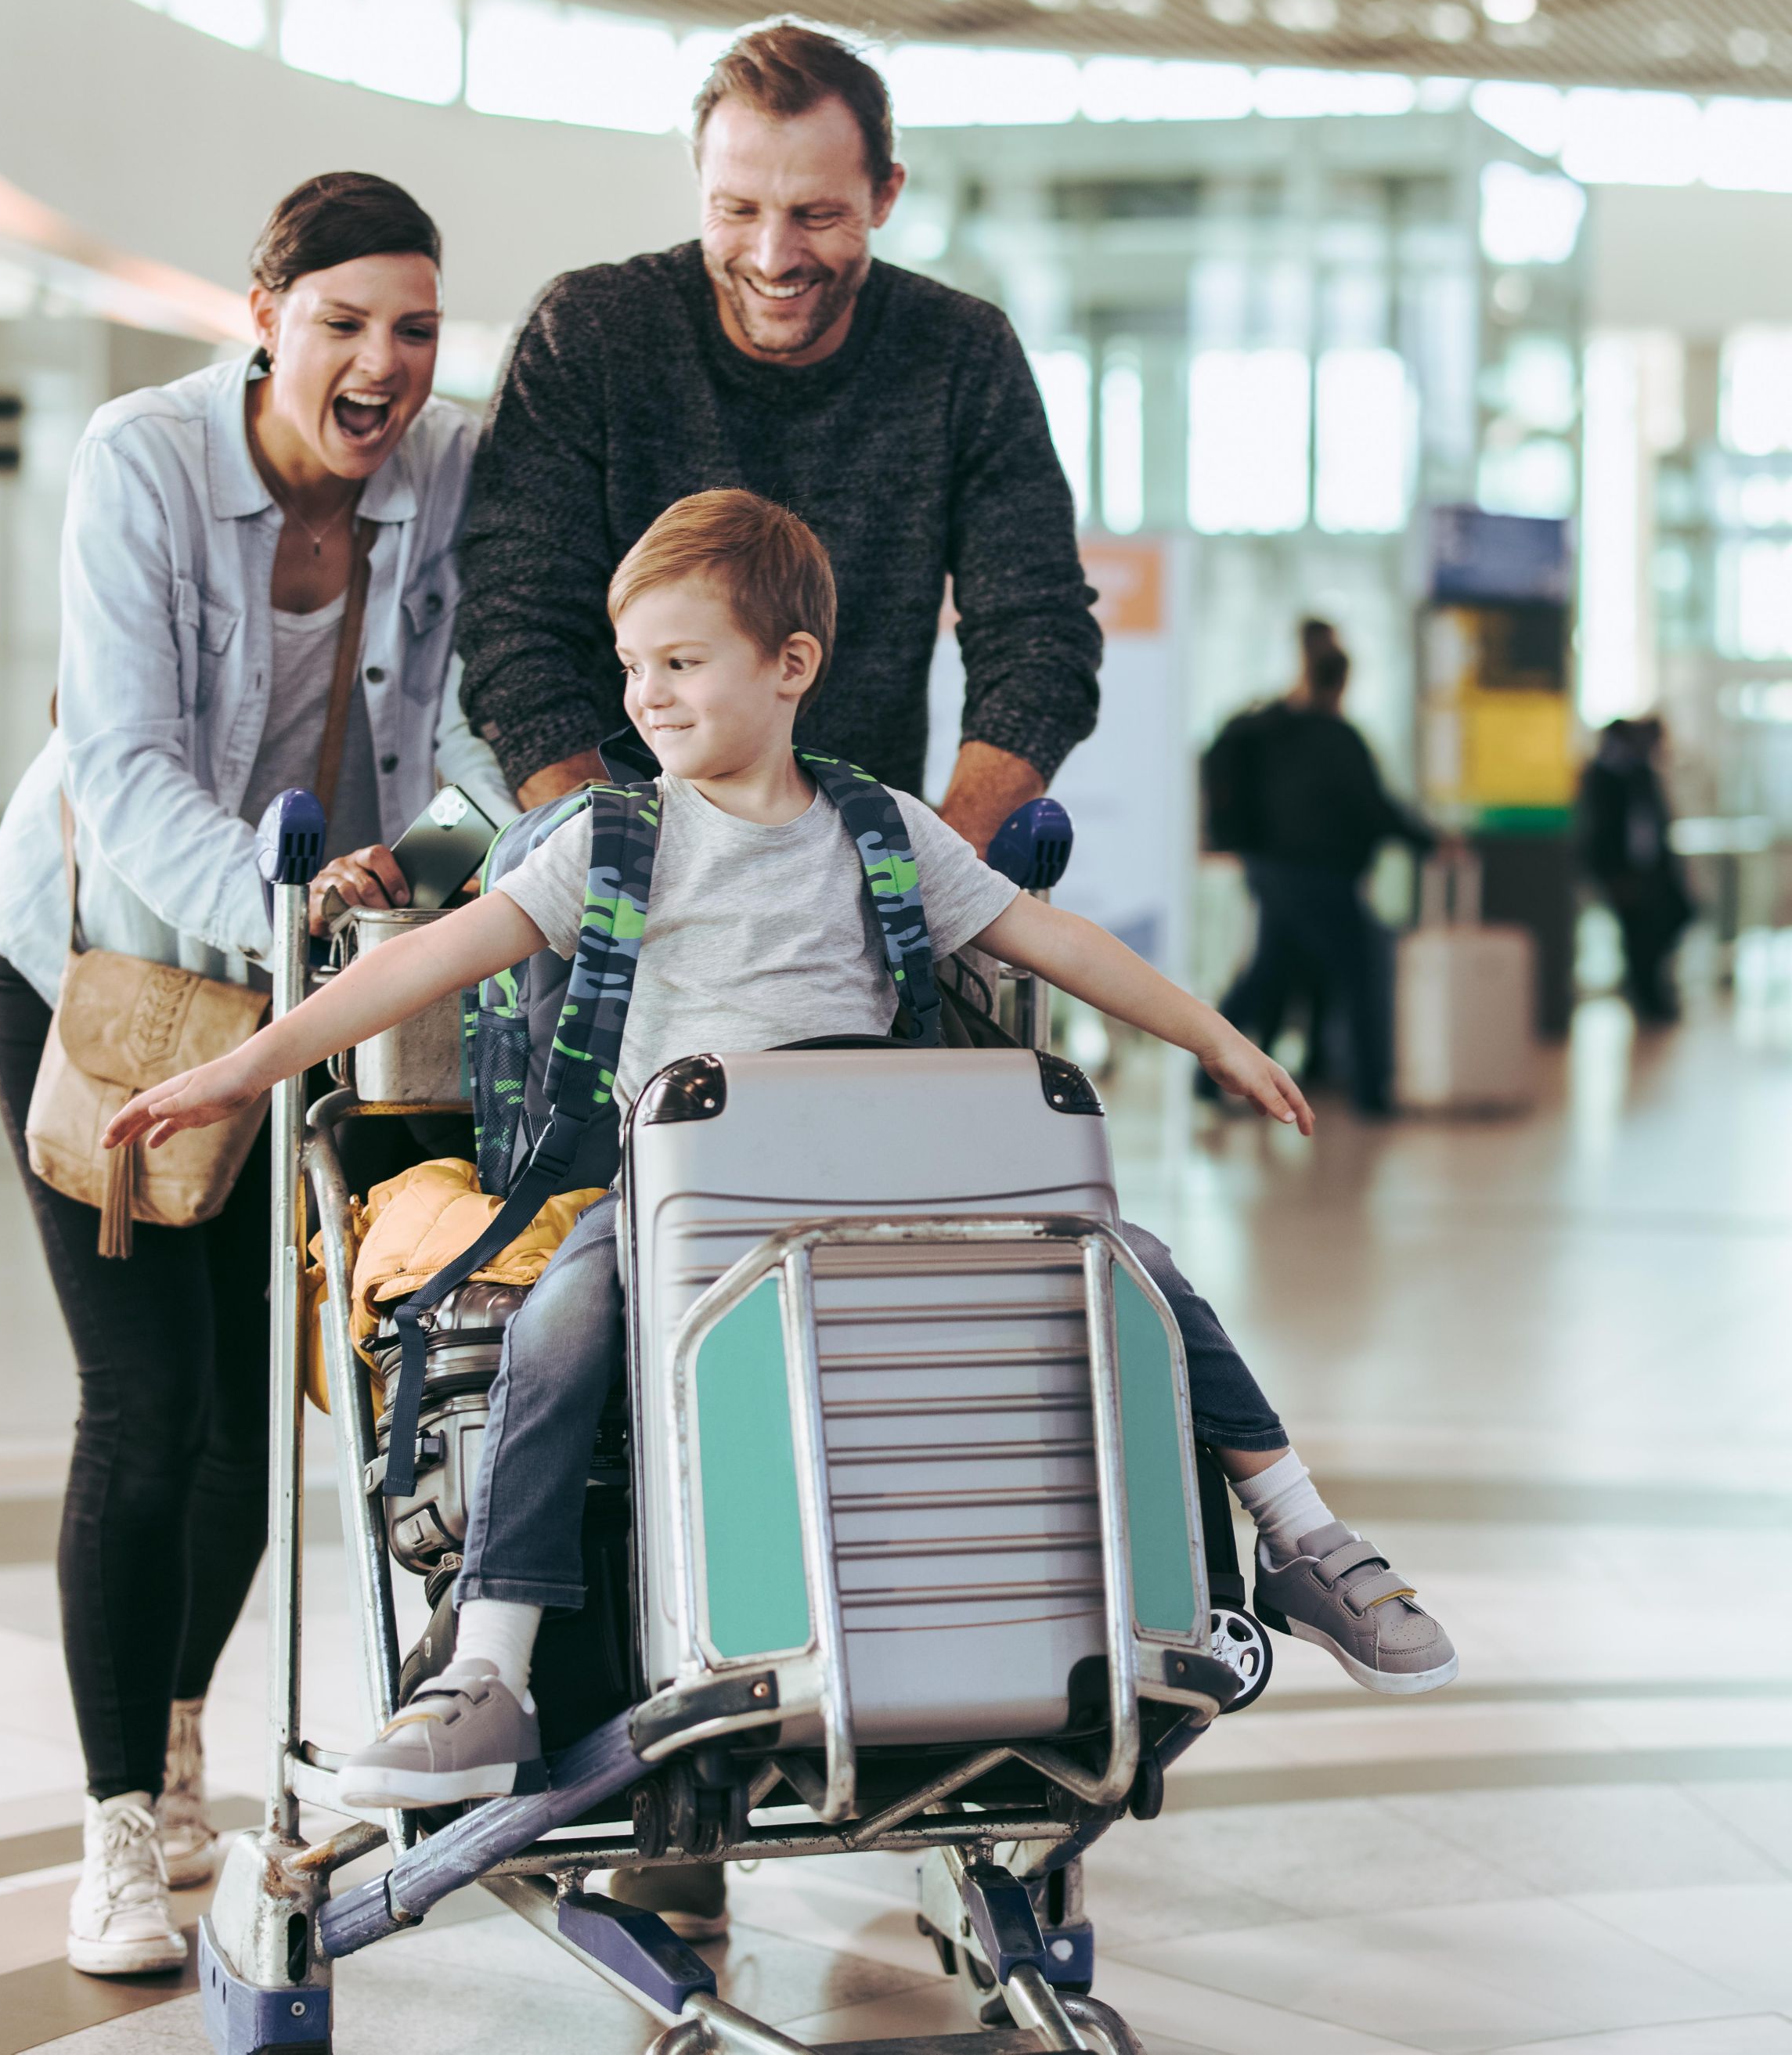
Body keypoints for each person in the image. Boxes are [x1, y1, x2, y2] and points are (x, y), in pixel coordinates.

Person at [101, 493, 1459, 1820]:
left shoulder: (881, 832)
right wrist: (232, 1070)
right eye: (634, 667)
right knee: (560, 1324)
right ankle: (489, 1670)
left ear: (791, 666)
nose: (648, 696)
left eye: (683, 663)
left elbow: (1061, 946)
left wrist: (1215, 1036)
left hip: (882, 1191)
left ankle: (1303, 1538)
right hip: (679, 1196)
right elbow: (417, 970)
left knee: (1140, 1270)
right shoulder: (610, 842)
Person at [0, 175, 511, 1977]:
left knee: (245, 1426)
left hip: (293, 989)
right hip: (101, 974)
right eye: (346, 320)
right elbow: (116, 762)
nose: (383, 362)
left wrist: (468, 869)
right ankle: (120, 1823)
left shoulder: (449, 469)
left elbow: (465, 718)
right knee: (142, 1398)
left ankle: (182, 1732)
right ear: (264, 310)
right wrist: (290, 892)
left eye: (414, 326)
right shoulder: (142, 455)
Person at [454, 21, 1099, 845]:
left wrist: (935, 877)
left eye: (816, 214)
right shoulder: (589, 333)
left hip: (863, 880)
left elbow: (1038, 636)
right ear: (700, 185)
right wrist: (609, 866)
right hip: (609, 878)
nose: (772, 255)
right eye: (738, 210)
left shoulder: (962, 355)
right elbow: (515, 629)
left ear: (885, 195)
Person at [1208, 621, 1432, 1118]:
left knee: (1268, 974)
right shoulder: (1335, 738)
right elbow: (1376, 809)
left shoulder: (1268, 728)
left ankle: (1204, 1077)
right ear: (1342, 682)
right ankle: (1373, 1093)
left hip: (1270, 871)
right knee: (1364, 971)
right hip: (1319, 877)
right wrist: (1431, 841)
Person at [1579, 716, 1693, 1024]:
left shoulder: (1642, 774)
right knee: (1637, 936)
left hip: (1652, 871)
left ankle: (1653, 993)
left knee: (1672, 920)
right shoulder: (1603, 776)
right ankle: (1646, 998)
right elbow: (1597, 833)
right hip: (1624, 873)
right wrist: (1612, 874)